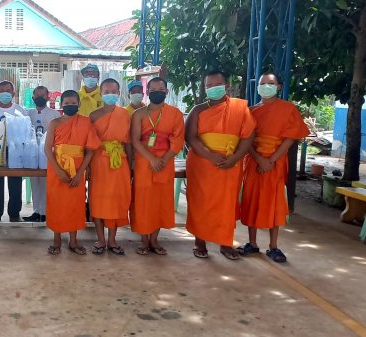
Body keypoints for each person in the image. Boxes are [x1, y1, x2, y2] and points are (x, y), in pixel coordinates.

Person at [238, 73, 309, 263]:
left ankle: (274, 246)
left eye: (271, 83)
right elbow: (247, 140)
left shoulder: (288, 109)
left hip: (276, 163)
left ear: (279, 87)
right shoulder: (251, 111)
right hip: (254, 161)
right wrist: (259, 159)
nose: (266, 86)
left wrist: (271, 160)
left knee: (274, 202)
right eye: (262, 84)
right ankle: (252, 243)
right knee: (251, 199)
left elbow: (290, 139)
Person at [185, 70, 255, 260]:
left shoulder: (239, 109)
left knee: (227, 204)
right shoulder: (198, 110)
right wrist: (210, 155)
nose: (212, 89)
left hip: (231, 162)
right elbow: (190, 137)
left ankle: (226, 243)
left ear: (226, 86)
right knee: (201, 202)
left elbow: (248, 136)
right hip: (202, 162)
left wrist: (236, 157)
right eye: (208, 86)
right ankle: (200, 242)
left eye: (216, 85)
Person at [130, 78, 185, 256]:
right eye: (153, 89)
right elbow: (135, 140)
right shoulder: (138, 114)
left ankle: (155, 239)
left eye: (161, 89)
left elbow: (177, 140)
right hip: (144, 161)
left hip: (165, 162)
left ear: (167, 92)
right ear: (147, 92)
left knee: (161, 200)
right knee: (143, 200)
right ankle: (144, 240)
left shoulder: (175, 114)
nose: (157, 91)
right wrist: (151, 159)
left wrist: (164, 158)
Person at [45, 90, 101, 255]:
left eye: (73, 103)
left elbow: (90, 150)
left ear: (79, 104)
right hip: (57, 168)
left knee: (75, 205)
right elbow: (48, 149)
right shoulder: (54, 123)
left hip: (77, 169)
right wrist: (58, 170)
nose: (70, 106)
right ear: (61, 105)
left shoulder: (86, 122)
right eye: (66, 103)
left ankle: (73, 240)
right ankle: (56, 238)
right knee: (56, 203)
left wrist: (80, 173)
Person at [88, 78, 132, 256]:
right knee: (98, 200)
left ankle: (112, 239)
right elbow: (89, 144)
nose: (110, 95)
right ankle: (100, 239)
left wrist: (131, 163)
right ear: (101, 93)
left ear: (119, 93)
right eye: (106, 92)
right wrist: (87, 167)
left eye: (114, 91)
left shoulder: (124, 115)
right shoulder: (93, 115)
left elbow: (127, 142)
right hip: (98, 161)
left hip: (119, 162)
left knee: (116, 200)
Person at [0, 80, 26, 222]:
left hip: (16, 150)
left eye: (8, 90)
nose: (5, 93)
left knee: (15, 182)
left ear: (13, 93)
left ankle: (14, 214)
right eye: (2, 90)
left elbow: (26, 132)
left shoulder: (20, 110)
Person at [24, 86, 60, 222]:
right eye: (37, 95)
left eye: (42, 95)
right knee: (34, 181)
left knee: (46, 183)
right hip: (32, 153)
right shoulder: (28, 113)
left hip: (48, 153)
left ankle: (46, 212)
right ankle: (37, 211)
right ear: (33, 98)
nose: (39, 98)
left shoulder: (54, 114)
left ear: (47, 97)